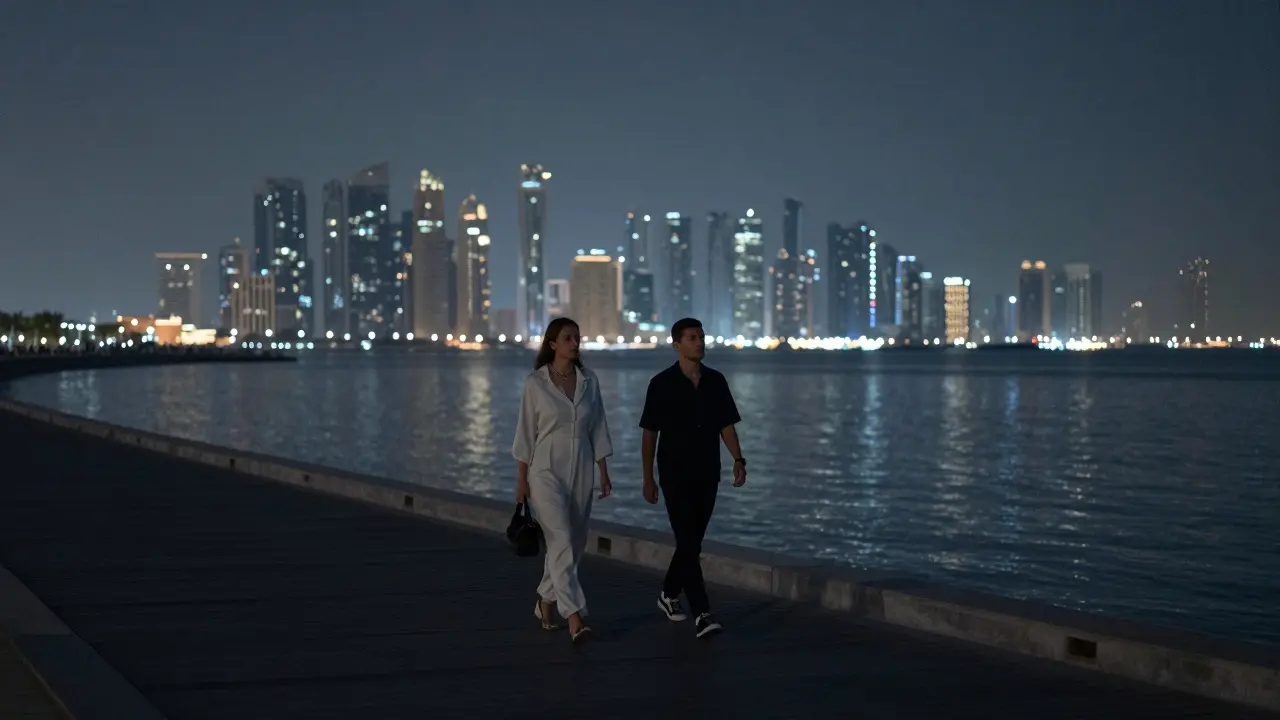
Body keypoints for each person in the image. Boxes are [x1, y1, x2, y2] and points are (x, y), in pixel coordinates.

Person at [639, 317, 746, 638]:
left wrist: (738, 459)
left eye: (700, 336)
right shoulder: (661, 384)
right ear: (677, 345)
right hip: (674, 472)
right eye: (691, 338)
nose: (699, 342)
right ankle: (702, 612)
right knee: (688, 540)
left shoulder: (716, 381)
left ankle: (668, 594)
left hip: (707, 471)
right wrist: (647, 478)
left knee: (691, 541)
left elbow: (726, 424)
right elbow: (649, 434)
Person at [513, 317, 613, 644]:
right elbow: (525, 435)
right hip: (544, 469)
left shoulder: (589, 381)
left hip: (582, 465)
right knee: (560, 538)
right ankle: (574, 617)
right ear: (553, 343)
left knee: (575, 542)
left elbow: (598, 427)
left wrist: (603, 471)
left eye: (577, 337)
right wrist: (522, 482)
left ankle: (545, 600)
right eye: (568, 337)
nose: (575, 342)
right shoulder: (535, 383)